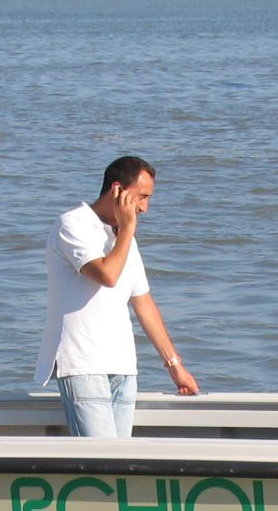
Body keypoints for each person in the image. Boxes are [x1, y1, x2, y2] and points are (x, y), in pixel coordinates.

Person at [35, 155, 199, 437]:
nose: (145, 208)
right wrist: (127, 230)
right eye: (142, 197)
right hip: (83, 364)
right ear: (117, 190)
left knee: (120, 457)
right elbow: (106, 275)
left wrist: (175, 366)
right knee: (101, 457)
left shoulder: (124, 238)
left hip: (123, 367)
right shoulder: (72, 224)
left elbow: (143, 302)